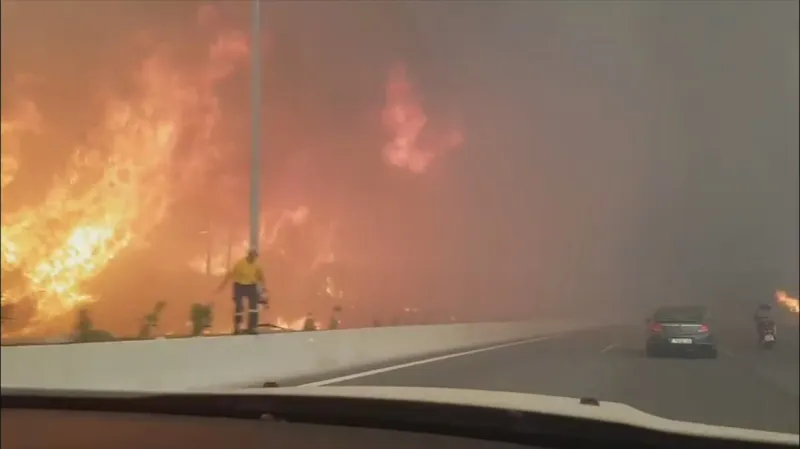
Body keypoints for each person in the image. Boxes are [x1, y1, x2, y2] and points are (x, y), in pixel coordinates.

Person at [217, 249, 267, 334]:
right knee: (239, 307)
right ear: (248, 255)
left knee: (253, 307)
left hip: (251, 286)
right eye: (252, 256)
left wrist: (263, 289)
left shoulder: (256, 266)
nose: (253, 258)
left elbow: (261, 278)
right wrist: (222, 286)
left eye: (255, 256)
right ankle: (237, 327)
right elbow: (230, 274)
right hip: (239, 285)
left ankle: (252, 327)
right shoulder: (240, 264)